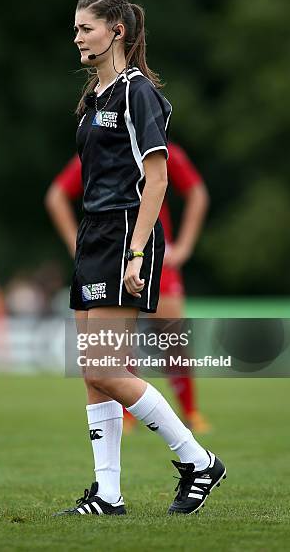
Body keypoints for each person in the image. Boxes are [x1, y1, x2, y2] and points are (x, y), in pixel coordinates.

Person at [51, 0, 225, 517]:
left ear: (116, 31)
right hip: (94, 233)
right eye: (77, 27)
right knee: (91, 369)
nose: (78, 36)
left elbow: (158, 176)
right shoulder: (95, 98)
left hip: (126, 233)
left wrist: (137, 251)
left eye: (87, 27)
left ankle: (198, 461)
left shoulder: (136, 92)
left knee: (106, 368)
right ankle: (108, 494)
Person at [46, 145, 212, 434]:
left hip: (154, 254)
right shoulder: (98, 146)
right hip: (111, 255)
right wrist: (79, 246)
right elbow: (56, 195)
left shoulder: (159, 149)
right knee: (114, 345)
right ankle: (126, 415)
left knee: (173, 335)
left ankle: (190, 411)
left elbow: (197, 192)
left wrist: (184, 246)